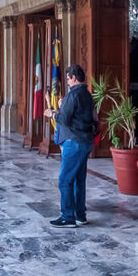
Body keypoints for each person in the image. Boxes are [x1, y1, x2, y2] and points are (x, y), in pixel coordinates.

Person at [44, 64, 96, 228]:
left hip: (74, 142)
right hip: (86, 142)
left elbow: (64, 120)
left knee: (65, 180)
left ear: (74, 77)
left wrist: (51, 113)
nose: (67, 81)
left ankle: (68, 217)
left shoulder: (72, 96)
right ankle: (80, 215)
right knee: (79, 179)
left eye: (67, 78)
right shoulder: (88, 95)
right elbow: (92, 119)